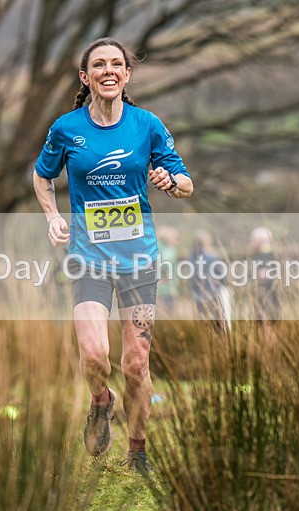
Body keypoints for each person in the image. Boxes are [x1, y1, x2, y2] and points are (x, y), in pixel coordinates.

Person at [32, 37, 193, 474]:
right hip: (88, 258)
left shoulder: (147, 125)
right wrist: (52, 218)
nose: (108, 70)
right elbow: (42, 176)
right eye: (98, 65)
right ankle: (101, 400)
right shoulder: (66, 129)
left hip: (139, 260)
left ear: (126, 74)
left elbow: (185, 182)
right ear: (86, 77)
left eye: (116, 64)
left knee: (136, 363)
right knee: (94, 355)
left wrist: (169, 180)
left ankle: (137, 451)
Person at [189, 230, 231, 332]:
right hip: (213, 298)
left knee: (204, 329)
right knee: (218, 328)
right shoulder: (212, 258)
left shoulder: (191, 259)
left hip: (198, 298)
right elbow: (223, 278)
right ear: (208, 242)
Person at [155, 225, 180, 314]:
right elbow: (166, 264)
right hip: (167, 292)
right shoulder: (169, 249)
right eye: (175, 237)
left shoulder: (157, 246)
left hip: (161, 291)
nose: (177, 241)